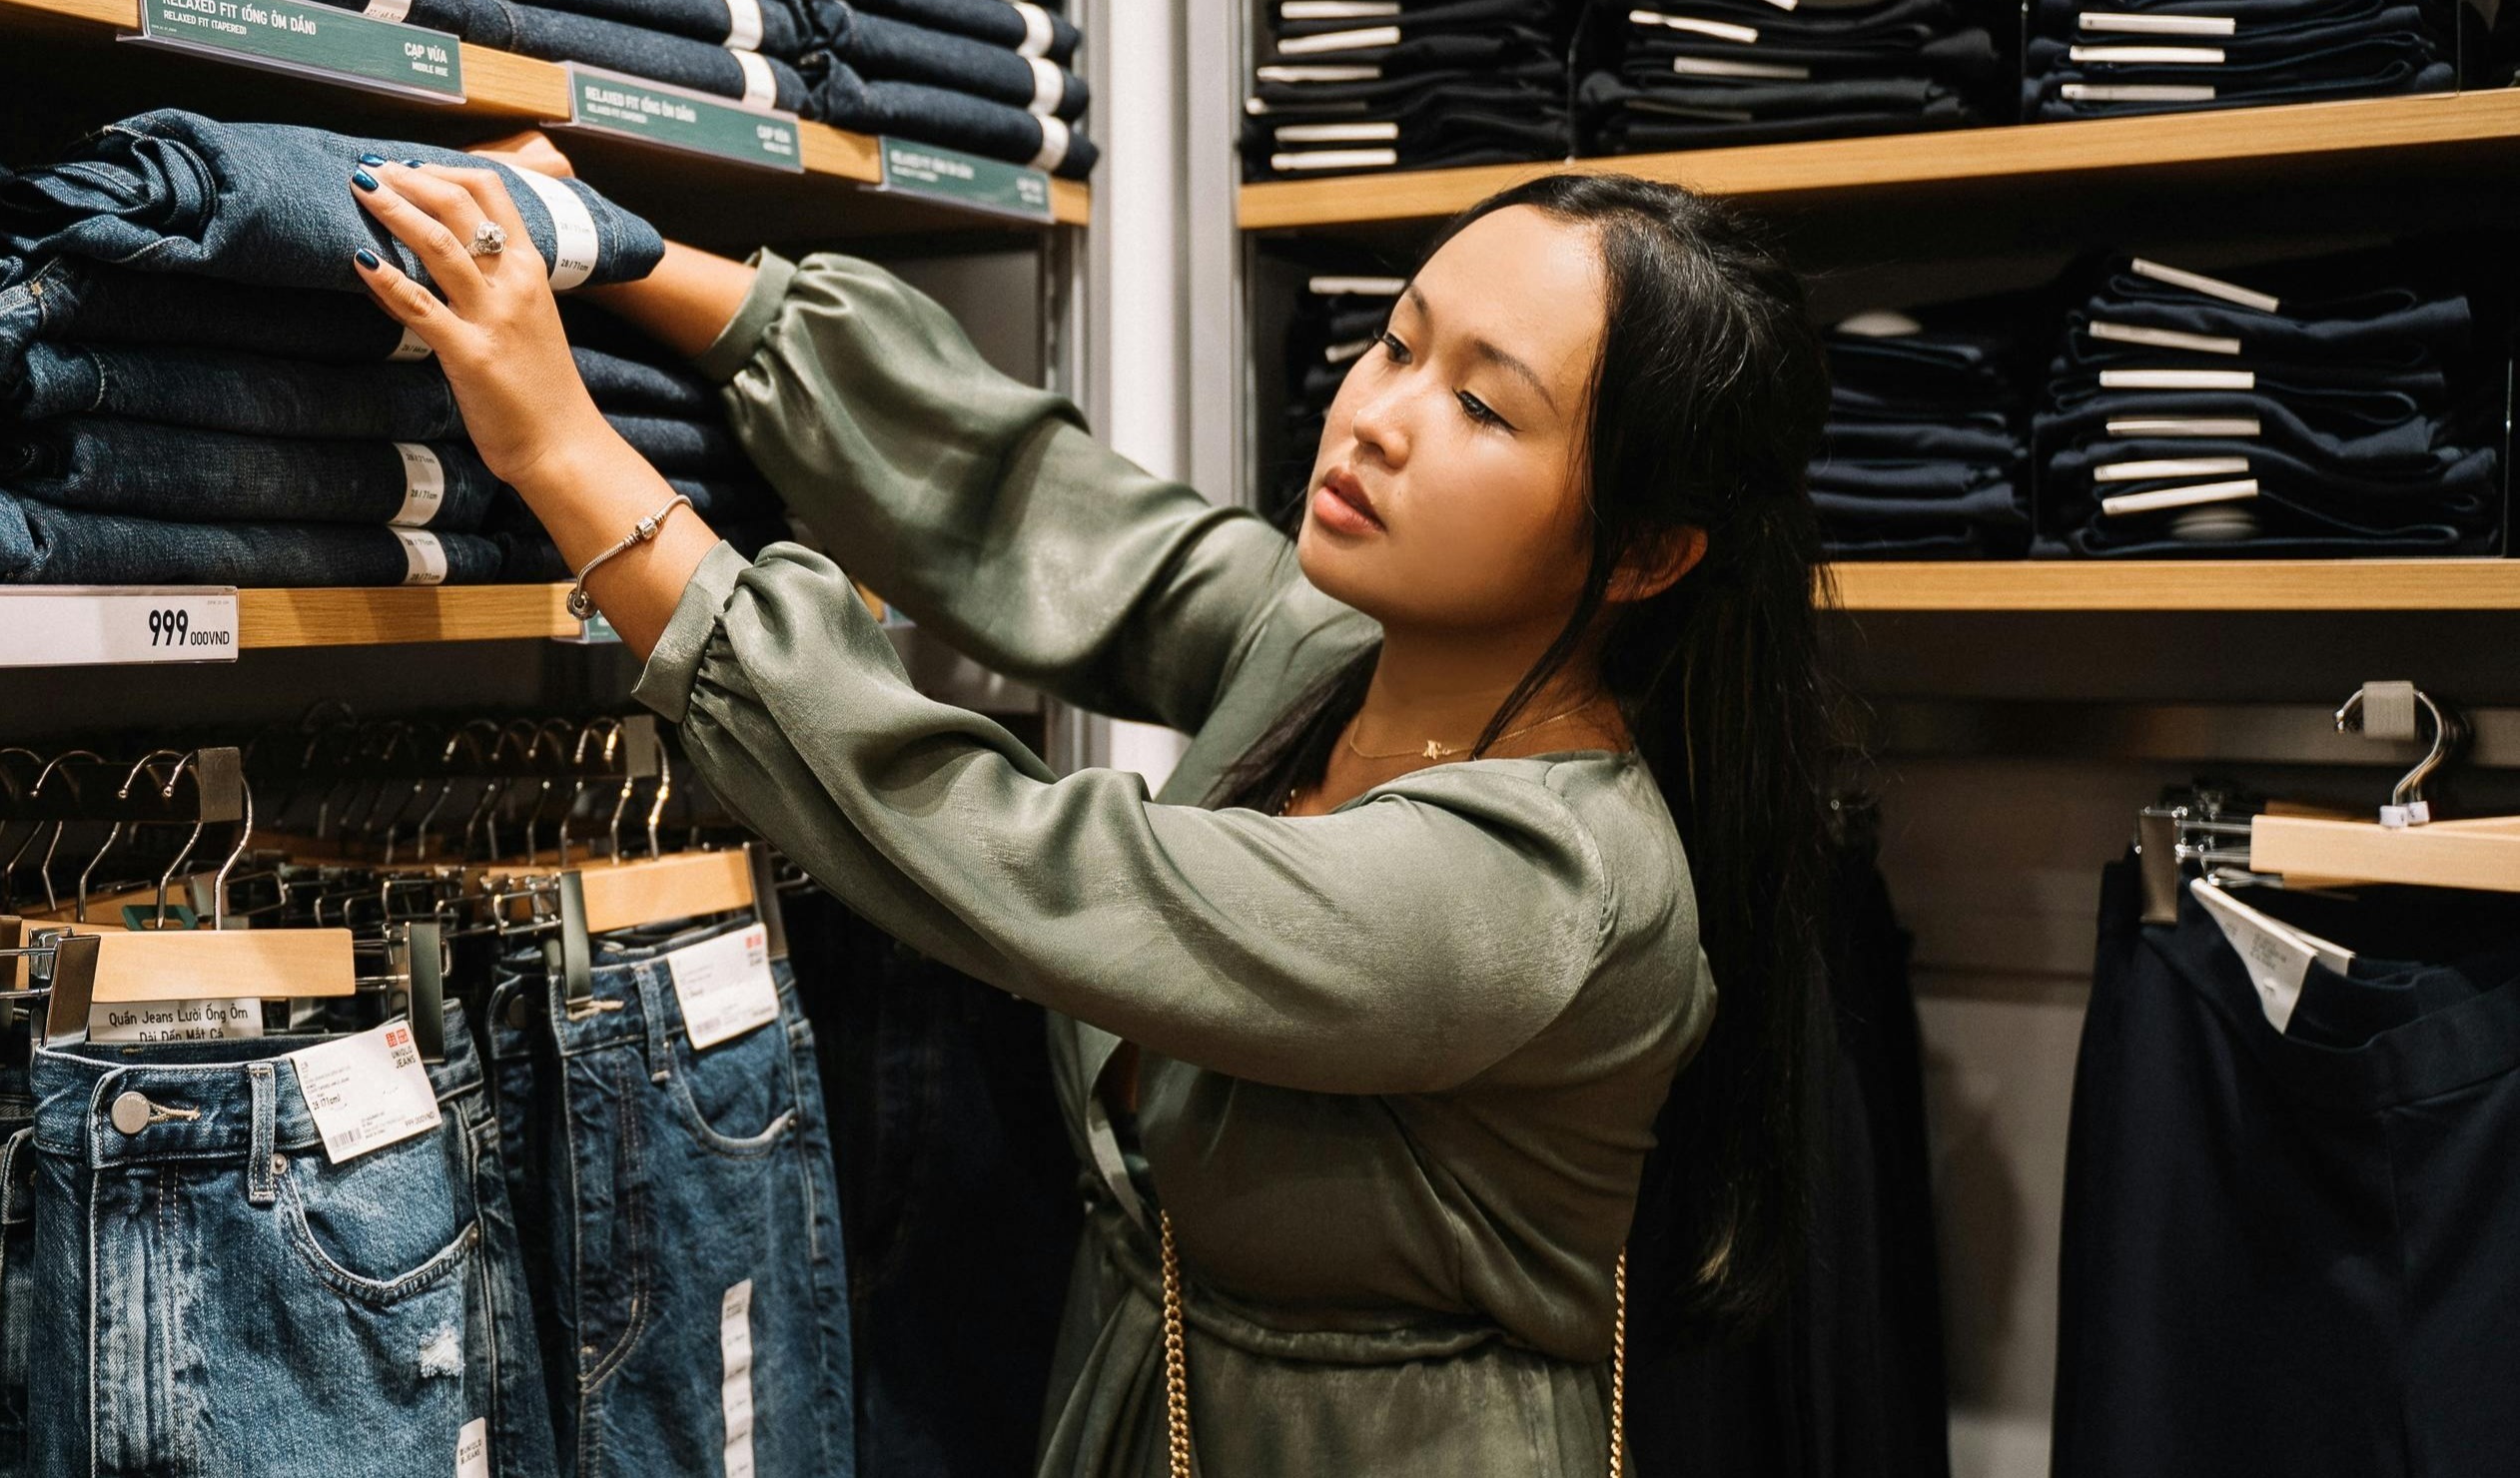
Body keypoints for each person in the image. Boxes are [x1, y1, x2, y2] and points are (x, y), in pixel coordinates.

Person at [342, 148, 1848, 1476]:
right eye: (1394, 340)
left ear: (1648, 553)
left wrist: (560, 450)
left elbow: (1042, 867)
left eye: (1477, 404)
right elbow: (1049, 515)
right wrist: (627, 251)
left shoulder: (1544, 889)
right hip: (1144, 1402)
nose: (1375, 416)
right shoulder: (1340, 656)